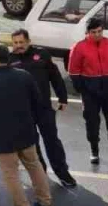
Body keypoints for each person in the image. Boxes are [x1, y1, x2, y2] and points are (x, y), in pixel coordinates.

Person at [0, 43, 54, 206]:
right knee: (35, 166)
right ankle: (45, 203)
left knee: (11, 175)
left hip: (2, 138)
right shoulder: (24, 76)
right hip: (26, 132)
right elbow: (37, 102)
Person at [9, 28, 77, 189]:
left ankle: (63, 174)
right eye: (15, 43)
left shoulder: (42, 55)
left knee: (52, 141)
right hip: (23, 111)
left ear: (28, 41)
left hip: (44, 108)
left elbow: (55, 76)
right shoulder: (9, 59)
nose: (19, 46)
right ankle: (41, 174)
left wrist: (63, 98)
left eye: (22, 42)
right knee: (33, 145)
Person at [68, 16, 108, 166]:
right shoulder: (79, 47)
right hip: (90, 92)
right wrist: (84, 90)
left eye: (100, 31)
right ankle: (94, 151)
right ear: (87, 32)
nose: (97, 35)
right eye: (93, 32)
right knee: (92, 122)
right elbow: (74, 71)